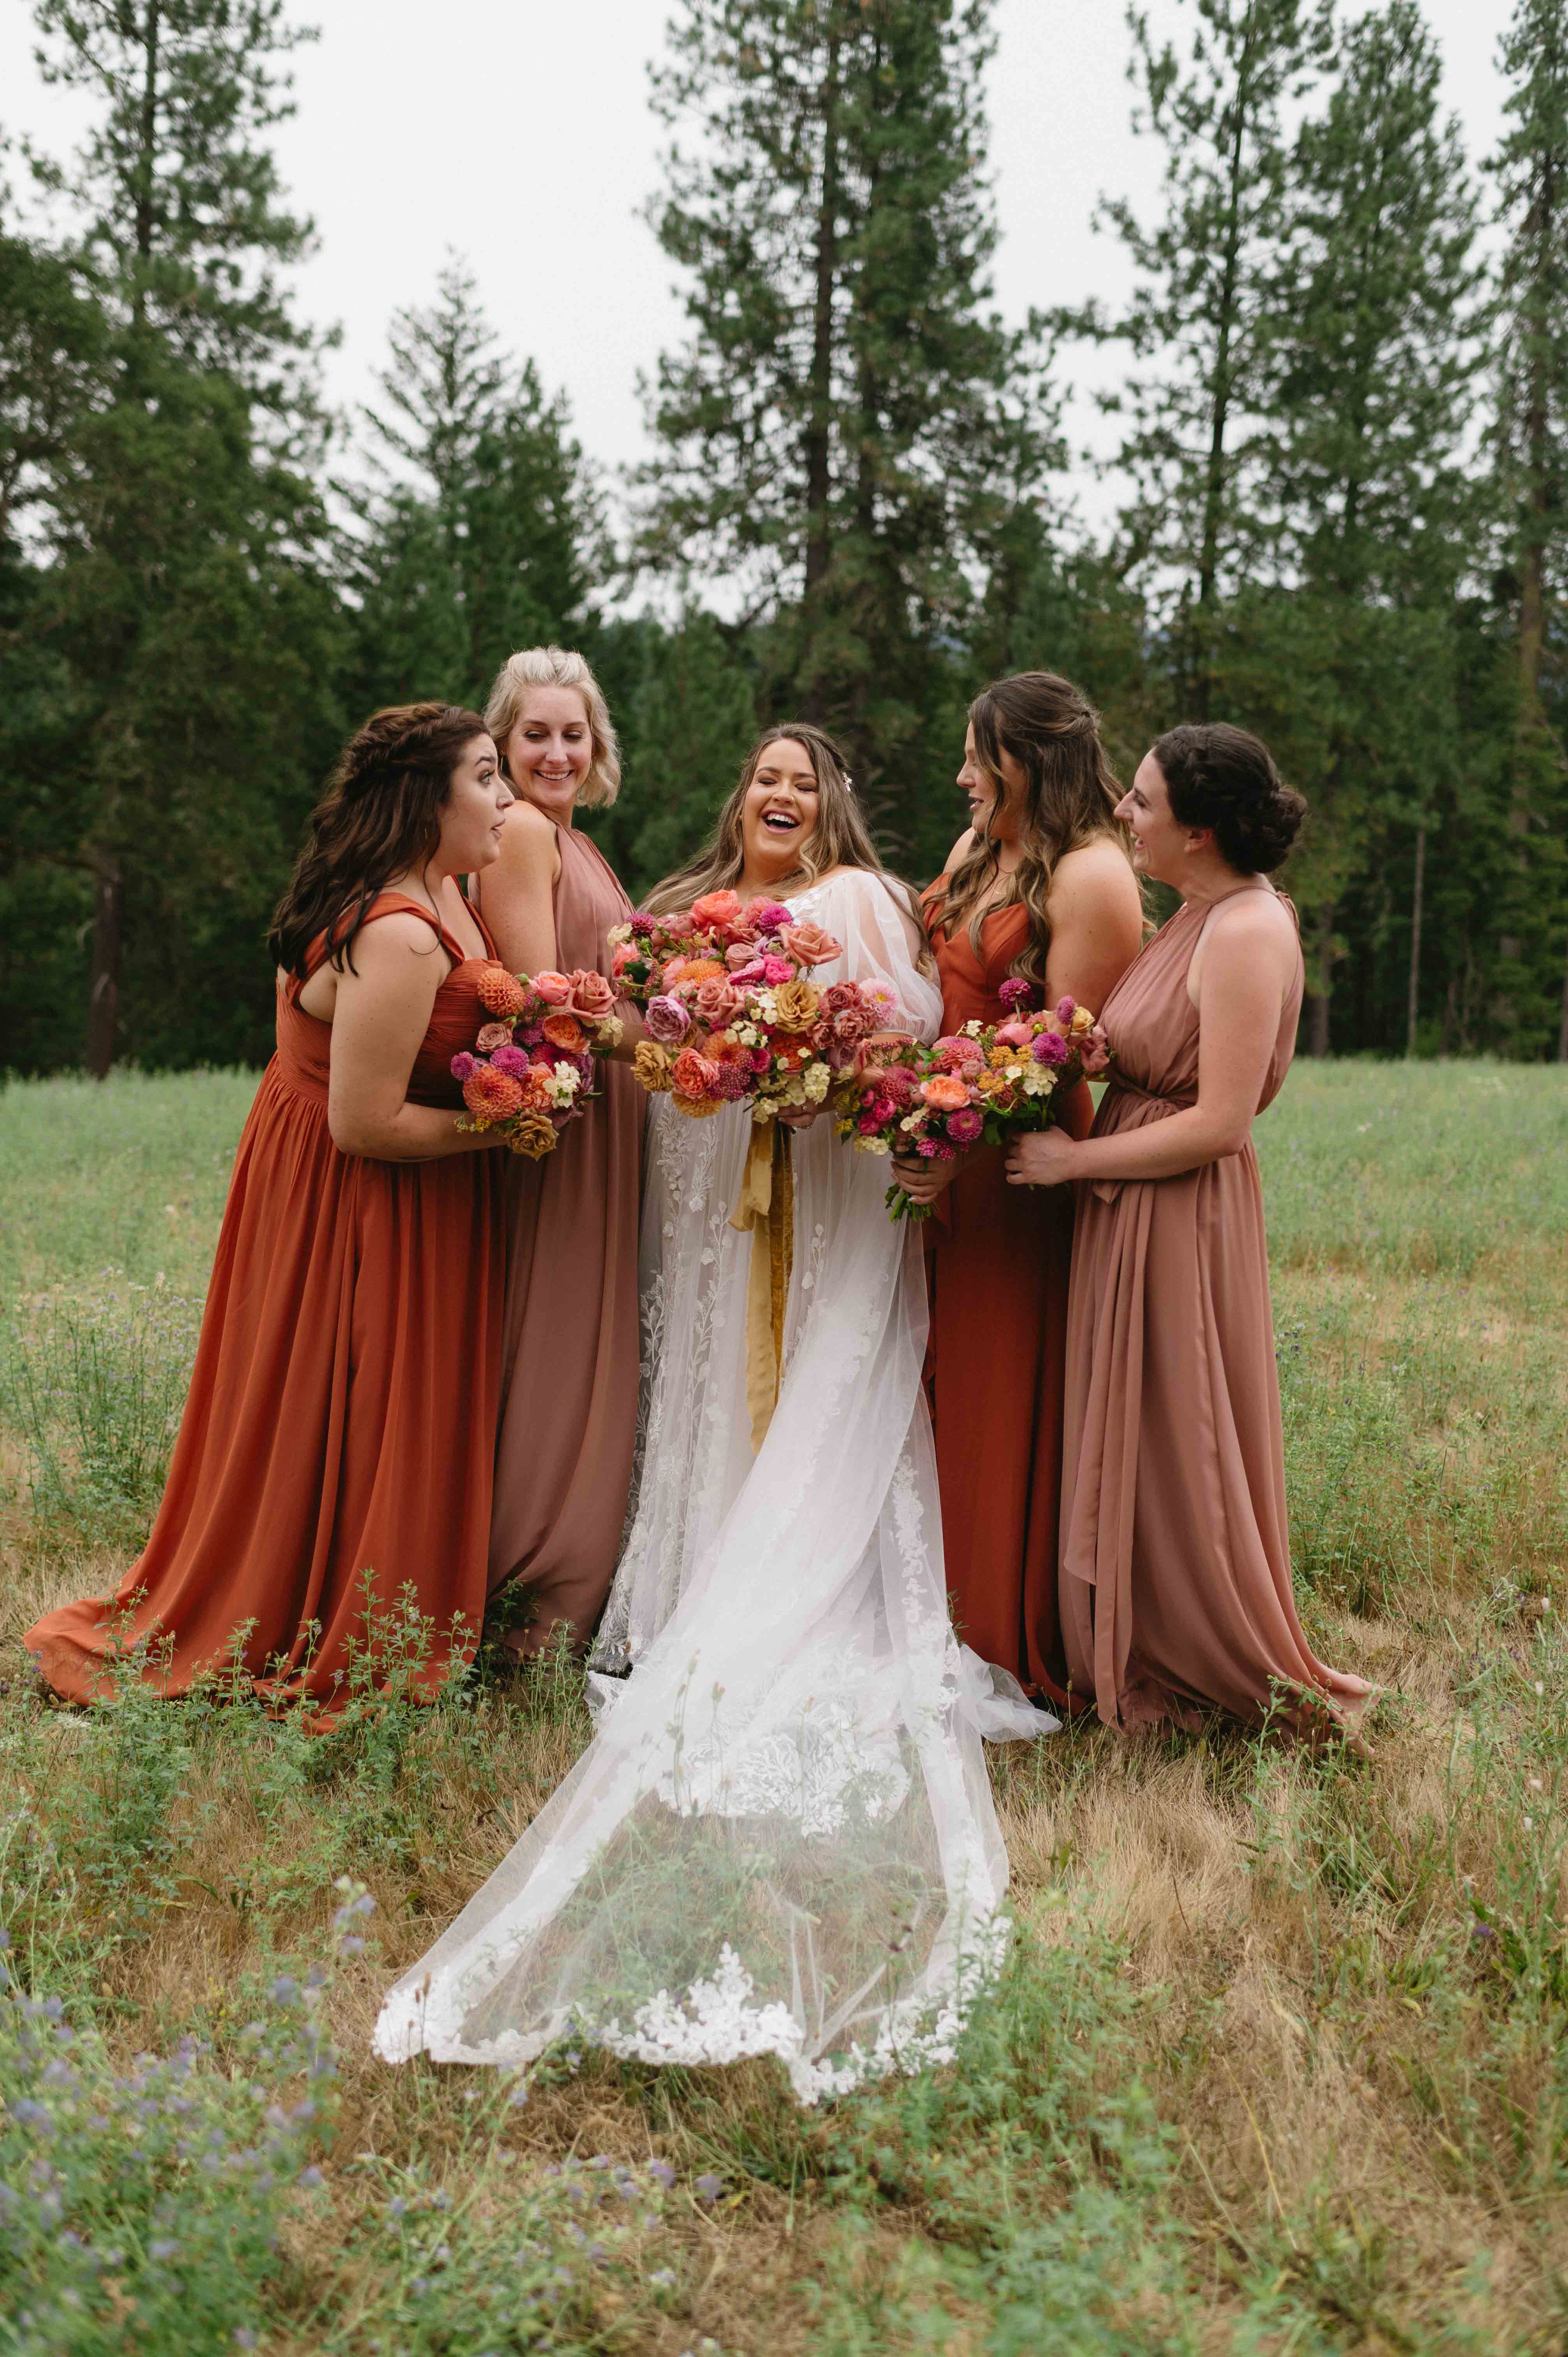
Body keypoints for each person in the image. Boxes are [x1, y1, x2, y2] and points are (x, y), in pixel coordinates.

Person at [375, 725, 1053, 2098]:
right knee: (700, 1378)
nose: (781, 795)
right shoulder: (685, 910)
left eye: (805, 782)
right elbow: (637, 1038)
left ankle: (795, 1578)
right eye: (764, 778)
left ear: (831, 805)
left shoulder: (862, 900)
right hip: (699, 1196)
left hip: (818, 1193)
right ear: (739, 797)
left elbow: (902, 1042)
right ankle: (700, 1569)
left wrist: (799, 1064)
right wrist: (675, 1038)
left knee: (808, 1380)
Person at [26, 705, 514, 1715]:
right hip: (368, 1199)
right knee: (353, 1398)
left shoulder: (433, 891)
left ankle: (328, 1582)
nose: (505, 798)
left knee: (335, 1400)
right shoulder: (400, 934)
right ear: (427, 800)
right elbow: (365, 1123)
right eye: (485, 776)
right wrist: (512, 1129)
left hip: (333, 1177)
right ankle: (323, 1613)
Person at [1006, 722, 1371, 1739]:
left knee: (1181, 1433)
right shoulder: (1193, 915)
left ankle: (1200, 1652)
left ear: (1200, 832)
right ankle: (1129, 1634)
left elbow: (1220, 1124)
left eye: (1143, 801)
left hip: (1179, 1210)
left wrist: (1074, 1162)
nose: (1124, 813)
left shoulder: (1248, 930)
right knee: (1139, 1427)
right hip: (1134, 1201)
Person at [893, 674, 1142, 1704]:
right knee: (927, 1382)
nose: (961, 776)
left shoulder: (1093, 878)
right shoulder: (977, 849)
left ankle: (995, 1631)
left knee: (995, 1391)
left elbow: (1061, 1051)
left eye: (977, 758)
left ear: (1030, 763)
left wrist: (961, 1140)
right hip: (933, 1140)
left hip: (1015, 1162)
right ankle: (921, 1607)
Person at [468, 647, 643, 1661]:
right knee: (556, 1333)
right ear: (500, 743)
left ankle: (563, 1573)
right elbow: (544, 1001)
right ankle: (530, 1582)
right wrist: (669, 1049)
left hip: (600, 1112)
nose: (557, 753)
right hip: (563, 1123)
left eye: (573, 734)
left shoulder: (577, 842)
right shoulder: (526, 834)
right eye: (535, 734)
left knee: (585, 1331)